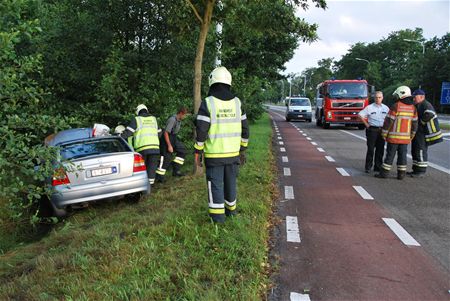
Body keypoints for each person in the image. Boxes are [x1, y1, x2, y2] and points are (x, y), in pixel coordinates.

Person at [194, 66, 249, 223]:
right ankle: (231, 212)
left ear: (212, 81)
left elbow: (201, 131)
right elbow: (245, 129)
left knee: (216, 185)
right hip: (233, 154)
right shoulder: (237, 103)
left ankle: (218, 219)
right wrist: (242, 148)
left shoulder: (208, 103)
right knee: (231, 183)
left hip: (214, 155)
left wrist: (198, 151)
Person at [376, 86, 418, 180]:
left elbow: (389, 121)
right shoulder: (413, 108)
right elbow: (415, 124)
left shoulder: (396, 106)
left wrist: (384, 133)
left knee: (390, 156)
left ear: (401, 94)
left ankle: (384, 174)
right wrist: (412, 135)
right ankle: (401, 175)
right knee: (402, 156)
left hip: (393, 138)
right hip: (405, 139)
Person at [121, 104, 160, 185]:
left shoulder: (137, 119)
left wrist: (118, 137)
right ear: (147, 110)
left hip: (142, 149)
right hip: (155, 148)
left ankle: (143, 186)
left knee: (142, 168)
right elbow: (160, 133)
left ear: (137, 112)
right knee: (152, 167)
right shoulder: (154, 119)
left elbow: (128, 133)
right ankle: (150, 186)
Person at [408, 89, 443, 177]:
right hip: (419, 132)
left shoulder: (425, 104)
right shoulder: (418, 105)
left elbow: (430, 114)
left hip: (425, 132)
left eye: (415, 97)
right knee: (415, 150)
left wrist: (421, 123)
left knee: (420, 150)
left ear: (422, 97)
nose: (413, 99)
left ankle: (420, 171)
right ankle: (415, 169)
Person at [358, 91, 389, 173]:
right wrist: (366, 124)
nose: (378, 99)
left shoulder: (386, 108)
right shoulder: (369, 107)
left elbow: (389, 119)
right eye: (376, 97)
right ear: (374, 98)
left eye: (379, 97)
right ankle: (368, 167)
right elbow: (360, 115)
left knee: (380, 149)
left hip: (382, 130)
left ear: (382, 98)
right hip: (372, 130)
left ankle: (377, 167)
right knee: (371, 149)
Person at [156, 107, 188, 182]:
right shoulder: (172, 120)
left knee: (182, 150)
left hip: (173, 137)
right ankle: (159, 177)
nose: (185, 117)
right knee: (166, 158)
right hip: (166, 138)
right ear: (180, 113)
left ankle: (176, 170)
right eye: (185, 115)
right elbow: (166, 133)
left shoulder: (179, 120)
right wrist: (169, 145)